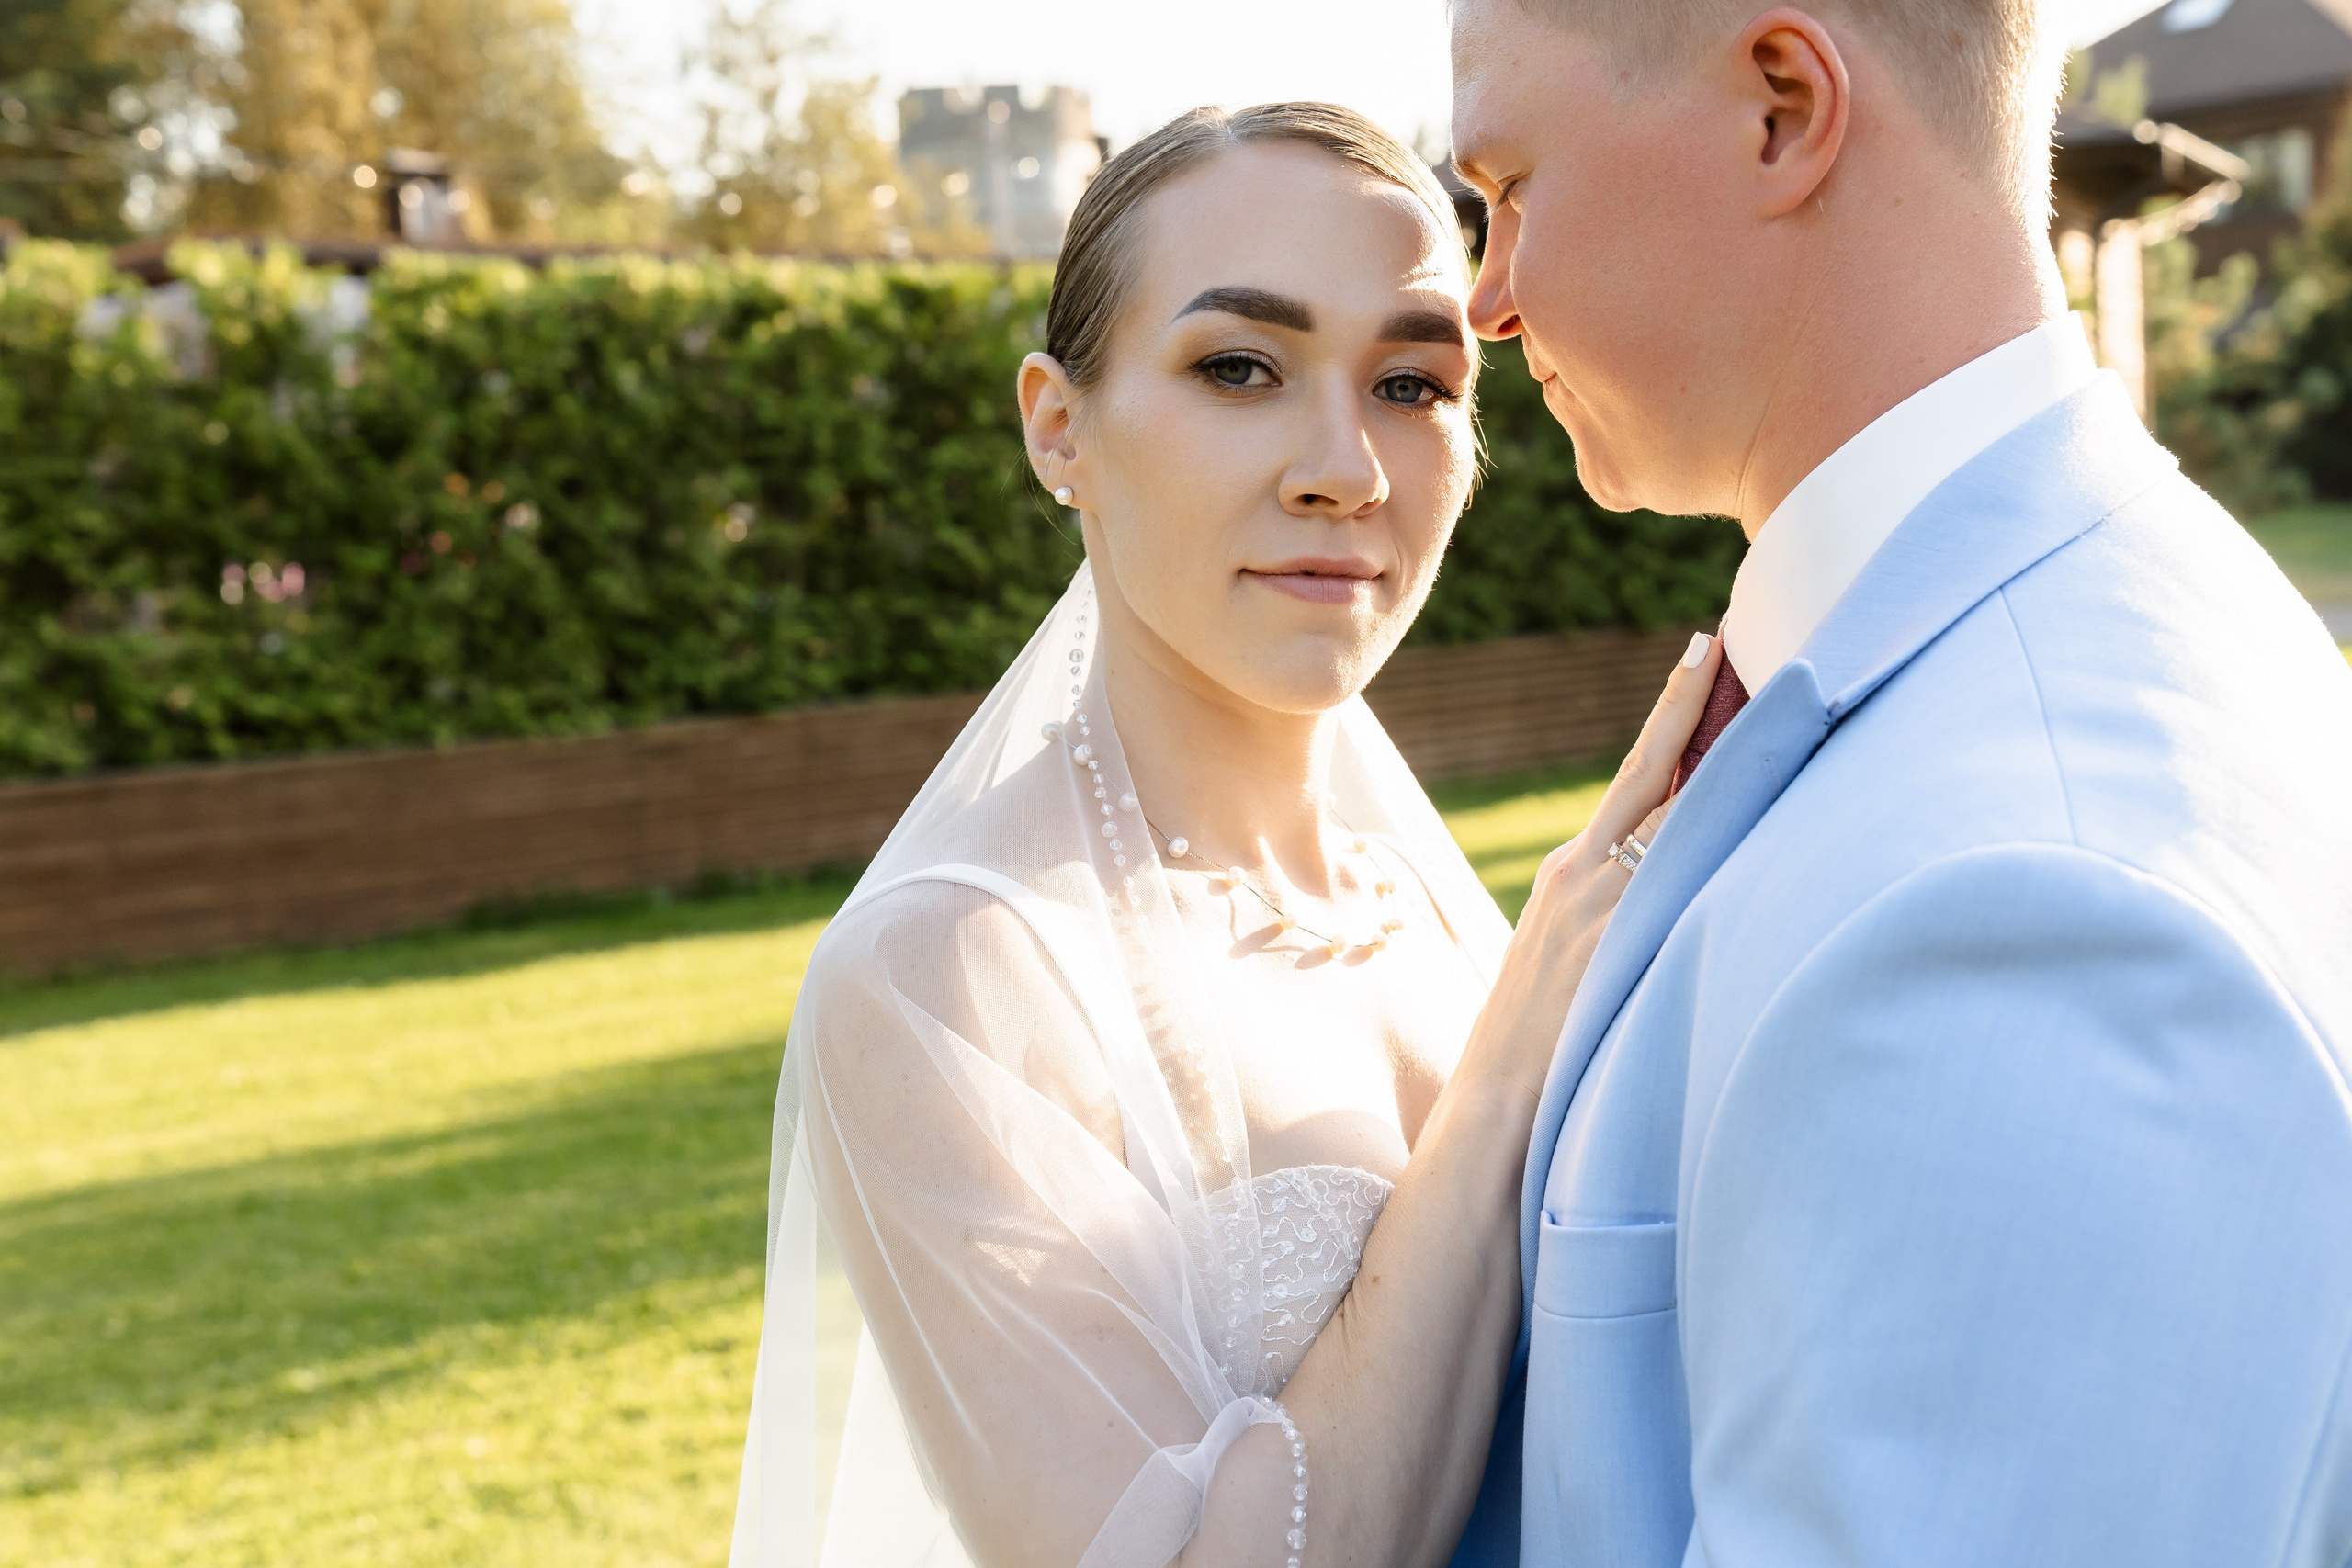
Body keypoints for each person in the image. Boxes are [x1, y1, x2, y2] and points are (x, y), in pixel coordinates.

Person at [727, 102, 1720, 1568]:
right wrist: (1510, 1070)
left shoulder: (1454, 913)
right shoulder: (946, 976)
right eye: (1239, 368)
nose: (1347, 469)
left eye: (1411, 383)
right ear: (1059, 427)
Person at [1444, 2, 2352, 1564]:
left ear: (1784, 109)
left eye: (1512, 186)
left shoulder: (2033, 920)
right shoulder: (2087, 626)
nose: (1488, 300)